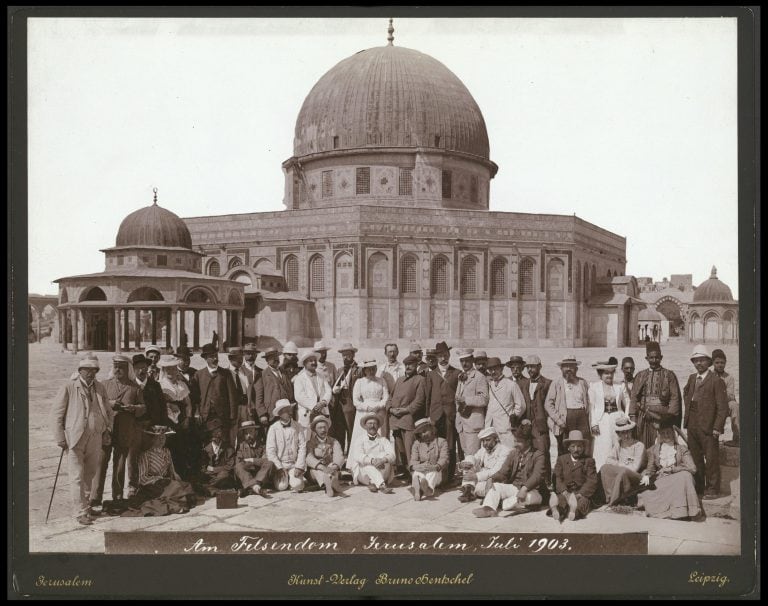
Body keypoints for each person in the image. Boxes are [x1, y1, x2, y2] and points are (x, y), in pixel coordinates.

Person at [50, 356, 113, 525]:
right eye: (87, 370)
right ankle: (79, 512)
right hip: (74, 438)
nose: (91, 374)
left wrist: (107, 430)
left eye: (94, 371)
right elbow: (57, 414)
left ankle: (86, 506)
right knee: (76, 476)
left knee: (90, 474)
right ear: (80, 371)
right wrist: (60, 438)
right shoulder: (69, 387)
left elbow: (107, 409)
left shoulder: (100, 387)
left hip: (96, 437)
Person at [94, 354, 144, 505]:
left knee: (120, 464)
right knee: (101, 462)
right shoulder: (104, 385)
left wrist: (134, 408)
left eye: (121, 367)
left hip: (125, 430)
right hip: (107, 430)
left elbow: (143, 407)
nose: (118, 370)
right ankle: (95, 497)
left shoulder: (135, 388)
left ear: (127, 369)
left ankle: (117, 495)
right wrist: (110, 403)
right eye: (115, 366)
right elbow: (97, 403)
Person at [682, 345, 729, 499]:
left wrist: (717, 427)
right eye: (696, 360)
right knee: (695, 458)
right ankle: (699, 487)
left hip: (709, 426)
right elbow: (686, 393)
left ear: (709, 362)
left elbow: (723, 407)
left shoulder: (716, 381)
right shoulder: (691, 378)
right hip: (692, 424)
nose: (699, 363)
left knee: (711, 458)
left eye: (702, 360)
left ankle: (713, 488)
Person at [473, 421, 545, 517]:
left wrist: (524, 489)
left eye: (518, 442)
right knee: (496, 486)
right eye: (515, 441)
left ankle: (503, 503)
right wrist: (492, 479)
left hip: (533, 491)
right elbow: (503, 472)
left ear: (528, 442)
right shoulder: (514, 453)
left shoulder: (538, 455)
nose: (515, 444)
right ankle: (489, 509)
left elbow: (537, 475)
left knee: (515, 502)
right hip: (515, 487)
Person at [123, 425, 196, 517]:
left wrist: (178, 480)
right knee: (176, 488)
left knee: (186, 486)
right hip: (151, 486)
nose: (162, 440)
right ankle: (172, 504)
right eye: (159, 438)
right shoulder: (146, 455)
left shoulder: (166, 451)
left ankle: (176, 499)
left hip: (166, 483)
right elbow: (142, 478)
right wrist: (159, 479)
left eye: (164, 437)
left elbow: (172, 471)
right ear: (153, 439)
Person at [637, 420, 700, 519]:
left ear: (673, 433)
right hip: (662, 480)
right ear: (660, 435)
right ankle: (669, 512)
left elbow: (693, 468)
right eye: (663, 433)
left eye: (668, 432)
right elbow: (651, 469)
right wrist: (646, 475)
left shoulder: (682, 449)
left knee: (685, 476)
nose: (666, 435)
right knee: (648, 491)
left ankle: (682, 512)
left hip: (678, 479)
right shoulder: (654, 449)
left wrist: (674, 469)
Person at [629, 341, 682, 448]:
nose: (654, 360)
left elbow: (675, 398)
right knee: (643, 446)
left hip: (662, 418)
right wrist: (633, 418)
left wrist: (668, 420)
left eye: (657, 357)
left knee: (662, 448)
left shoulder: (669, 375)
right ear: (646, 358)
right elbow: (634, 397)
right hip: (643, 418)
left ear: (661, 357)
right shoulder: (640, 376)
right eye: (651, 358)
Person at [425, 342, 461, 484]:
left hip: (450, 415)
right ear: (436, 357)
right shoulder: (431, 374)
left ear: (449, 355)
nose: (443, 358)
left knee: (450, 446)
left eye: (445, 355)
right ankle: (436, 477)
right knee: (435, 446)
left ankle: (449, 477)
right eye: (440, 356)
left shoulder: (457, 373)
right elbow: (428, 396)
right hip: (435, 415)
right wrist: (428, 415)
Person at [189, 343, 238, 447]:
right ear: (206, 358)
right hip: (205, 416)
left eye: (216, 355)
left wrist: (233, 416)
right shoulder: (199, 375)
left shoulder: (225, 374)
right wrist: (197, 413)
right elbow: (195, 398)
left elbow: (232, 396)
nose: (215, 358)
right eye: (212, 356)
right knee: (206, 443)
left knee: (223, 442)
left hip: (222, 416)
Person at [544, 355, 592, 456]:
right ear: (561, 369)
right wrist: (558, 420)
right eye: (566, 366)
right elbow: (548, 404)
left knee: (584, 445)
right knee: (565, 447)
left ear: (576, 369)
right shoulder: (556, 383)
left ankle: (582, 470)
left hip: (582, 418)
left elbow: (589, 401)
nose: (569, 369)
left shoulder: (582, 382)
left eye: (572, 366)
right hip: (565, 419)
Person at [388, 354, 427, 476]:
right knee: (401, 449)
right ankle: (405, 471)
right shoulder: (399, 380)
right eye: (406, 365)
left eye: (411, 364)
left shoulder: (420, 380)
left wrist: (405, 410)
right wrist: (390, 409)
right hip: (395, 420)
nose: (408, 367)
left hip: (408, 420)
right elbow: (390, 397)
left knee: (410, 448)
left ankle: (414, 475)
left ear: (416, 365)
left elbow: (419, 401)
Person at [588, 360, 629, 472]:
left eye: (611, 373)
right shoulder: (594, 387)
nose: (609, 375)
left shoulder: (620, 386)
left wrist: (626, 417)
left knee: (617, 445)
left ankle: (617, 472)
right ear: (600, 375)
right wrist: (594, 423)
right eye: (606, 373)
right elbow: (591, 407)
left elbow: (628, 402)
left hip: (617, 419)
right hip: (602, 421)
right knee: (602, 447)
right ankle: (600, 473)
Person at [157, 354, 194, 480]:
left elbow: (188, 404)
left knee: (182, 448)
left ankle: (183, 478)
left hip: (182, 421)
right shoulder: (160, 385)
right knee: (169, 448)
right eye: (168, 369)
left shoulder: (182, 385)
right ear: (163, 370)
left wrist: (188, 418)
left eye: (173, 368)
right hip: (167, 421)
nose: (171, 371)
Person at [549, 430, 598, 522]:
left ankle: (574, 512)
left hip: (580, 493)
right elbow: (557, 477)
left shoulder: (589, 461)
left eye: (579, 446)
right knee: (561, 501)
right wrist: (564, 492)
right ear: (568, 448)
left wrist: (579, 494)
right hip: (566, 492)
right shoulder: (562, 459)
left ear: (583, 447)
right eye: (573, 446)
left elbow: (592, 481)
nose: (576, 449)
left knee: (582, 503)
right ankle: (557, 511)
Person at [598, 415, 646, 506]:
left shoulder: (639, 446)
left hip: (636, 477)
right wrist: (620, 464)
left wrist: (619, 465)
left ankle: (615, 501)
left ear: (631, 431)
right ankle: (608, 496)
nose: (626, 435)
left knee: (623, 471)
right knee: (604, 468)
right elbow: (608, 460)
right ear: (618, 434)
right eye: (622, 433)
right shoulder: (618, 445)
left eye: (628, 432)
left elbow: (634, 468)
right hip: (622, 473)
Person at [457, 427, 511, 503]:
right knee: (469, 458)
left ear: (496, 439)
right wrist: (462, 465)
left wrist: (476, 476)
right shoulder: (484, 449)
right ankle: (468, 491)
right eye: (483, 441)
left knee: (481, 487)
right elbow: (474, 458)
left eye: (488, 440)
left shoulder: (504, 451)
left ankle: (470, 488)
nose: (485, 443)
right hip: (482, 477)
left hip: (495, 479)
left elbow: (497, 471)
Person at [347, 413, 395, 493]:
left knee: (384, 455)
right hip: (364, 475)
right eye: (370, 423)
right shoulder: (359, 439)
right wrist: (372, 461)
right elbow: (357, 455)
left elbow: (392, 455)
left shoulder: (384, 440)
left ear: (378, 426)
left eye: (375, 423)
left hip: (382, 470)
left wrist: (382, 460)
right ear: (365, 426)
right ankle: (381, 484)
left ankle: (373, 483)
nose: (372, 426)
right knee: (366, 462)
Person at [265, 399, 307, 492]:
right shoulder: (273, 428)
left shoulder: (298, 426)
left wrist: (299, 466)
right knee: (281, 487)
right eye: (285, 410)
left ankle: (294, 478)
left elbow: (302, 447)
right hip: (281, 464)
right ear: (279, 413)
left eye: (289, 409)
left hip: (293, 464)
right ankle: (285, 479)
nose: (289, 412)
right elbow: (270, 451)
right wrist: (279, 467)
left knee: (298, 486)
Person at [455, 349, 489, 458]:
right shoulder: (461, 376)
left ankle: (472, 475)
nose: (464, 364)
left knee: (473, 457)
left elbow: (484, 399)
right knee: (466, 455)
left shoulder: (479, 377)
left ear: (472, 361)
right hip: (461, 424)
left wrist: (466, 399)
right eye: (462, 361)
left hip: (473, 424)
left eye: (466, 361)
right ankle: (467, 475)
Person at [485, 357, 525, 449]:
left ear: (501, 369)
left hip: (506, 429)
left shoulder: (511, 385)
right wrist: (487, 426)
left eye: (495, 369)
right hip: (492, 430)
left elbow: (521, 405)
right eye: (491, 369)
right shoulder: (490, 385)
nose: (493, 372)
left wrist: (513, 417)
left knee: (508, 456)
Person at [525, 355, 553, 483]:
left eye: (533, 367)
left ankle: (547, 481)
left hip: (541, 425)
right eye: (528, 367)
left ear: (540, 367)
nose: (530, 369)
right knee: (529, 453)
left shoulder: (547, 383)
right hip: (526, 425)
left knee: (543, 452)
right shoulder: (524, 383)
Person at [350, 360, 390, 448]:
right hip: (363, 412)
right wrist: (367, 408)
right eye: (369, 369)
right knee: (362, 435)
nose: (371, 371)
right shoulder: (359, 382)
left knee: (379, 434)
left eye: (373, 369)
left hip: (379, 411)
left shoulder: (382, 381)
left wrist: (379, 406)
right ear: (365, 370)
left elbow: (386, 397)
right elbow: (355, 401)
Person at [251, 346, 293, 427]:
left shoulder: (284, 372)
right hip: (271, 414)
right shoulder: (262, 375)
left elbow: (290, 391)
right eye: (272, 357)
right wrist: (262, 414)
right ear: (267, 360)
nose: (276, 359)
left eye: (276, 356)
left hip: (286, 412)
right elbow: (258, 397)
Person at [293, 351, 332, 438]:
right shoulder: (300, 379)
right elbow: (299, 396)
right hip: (308, 413)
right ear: (304, 363)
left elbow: (328, 390)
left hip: (322, 411)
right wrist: (314, 406)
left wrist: (323, 402)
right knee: (306, 437)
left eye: (314, 360)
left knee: (321, 436)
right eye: (310, 361)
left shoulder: (321, 376)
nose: (313, 362)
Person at [409, 418, 449, 501]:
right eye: (420, 433)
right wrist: (416, 467)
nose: (423, 435)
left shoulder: (442, 442)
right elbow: (413, 459)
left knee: (432, 472)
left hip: (437, 472)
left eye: (425, 431)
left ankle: (427, 489)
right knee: (417, 472)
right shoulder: (417, 443)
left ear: (432, 429)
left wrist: (435, 467)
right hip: (423, 469)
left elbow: (444, 458)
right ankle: (420, 488)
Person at [330, 343, 360, 454]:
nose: (345, 357)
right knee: (339, 433)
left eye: (347, 355)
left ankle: (352, 459)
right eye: (343, 355)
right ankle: (340, 457)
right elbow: (334, 385)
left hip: (352, 405)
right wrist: (335, 390)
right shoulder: (339, 370)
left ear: (353, 355)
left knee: (352, 432)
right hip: (339, 407)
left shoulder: (359, 370)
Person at [305, 416, 345, 497]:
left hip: (331, 468)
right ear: (315, 430)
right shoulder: (310, 443)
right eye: (320, 428)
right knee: (316, 471)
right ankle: (329, 485)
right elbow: (309, 458)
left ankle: (330, 485)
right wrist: (322, 467)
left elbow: (339, 455)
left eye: (325, 427)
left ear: (328, 428)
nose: (323, 430)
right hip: (317, 470)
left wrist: (335, 466)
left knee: (332, 467)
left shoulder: (334, 441)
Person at [197, 418, 236, 496]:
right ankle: (216, 491)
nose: (215, 435)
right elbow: (203, 468)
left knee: (225, 475)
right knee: (199, 479)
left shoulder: (228, 448)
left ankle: (210, 489)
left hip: (223, 477)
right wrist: (209, 471)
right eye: (212, 433)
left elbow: (230, 466)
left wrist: (213, 469)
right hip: (210, 477)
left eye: (218, 431)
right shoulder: (205, 450)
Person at [235, 420, 274, 497]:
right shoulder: (241, 446)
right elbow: (239, 462)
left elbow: (265, 460)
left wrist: (252, 460)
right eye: (246, 433)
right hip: (247, 474)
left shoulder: (262, 445)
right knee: (238, 467)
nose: (248, 435)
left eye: (251, 432)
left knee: (270, 463)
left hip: (260, 474)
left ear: (255, 432)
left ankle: (250, 488)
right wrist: (256, 462)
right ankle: (256, 488)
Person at [712, 349, 739, 446]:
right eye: (717, 362)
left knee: (734, 405)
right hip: (713, 405)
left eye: (722, 363)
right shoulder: (709, 376)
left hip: (725, 404)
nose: (720, 365)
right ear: (712, 363)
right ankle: (712, 439)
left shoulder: (729, 377)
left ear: (725, 363)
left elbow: (731, 395)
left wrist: (719, 397)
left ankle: (737, 438)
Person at [228, 346, 253, 446]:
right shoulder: (226, 373)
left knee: (246, 433)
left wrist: (249, 406)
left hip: (245, 407)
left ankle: (244, 456)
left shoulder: (248, 373)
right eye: (236, 358)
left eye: (241, 357)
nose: (240, 360)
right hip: (233, 407)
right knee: (232, 435)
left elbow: (250, 390)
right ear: (230, 359)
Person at [506, 355, 532, 426]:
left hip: (522, 420)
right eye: (513, 367)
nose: (515, 369)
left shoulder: (527, 382)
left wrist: (527, 419)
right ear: (510, 369)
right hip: (507, 419)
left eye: (518, 367)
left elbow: (528, 403)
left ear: (522, 368)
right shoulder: (505, 382)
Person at [617, 357, 635, 428]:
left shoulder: (638, 383)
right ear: (622, 369)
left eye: (631, 368)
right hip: (623, 417)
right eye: (626, 368)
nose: (629, 370)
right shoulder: (619, 385)